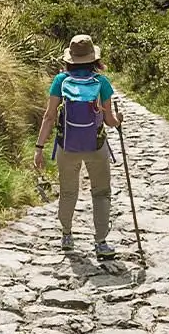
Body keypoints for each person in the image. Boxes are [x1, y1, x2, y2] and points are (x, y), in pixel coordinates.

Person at [33, 33, 123, 259]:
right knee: (101, 193)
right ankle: (101, 242)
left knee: (68, 191)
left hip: (67, 146)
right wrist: (119, 120)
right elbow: (110, 121)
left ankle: (66, 235)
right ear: (94, 59)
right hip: (96, 146)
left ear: (70, 58)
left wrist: (39, 146)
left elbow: (49, 116)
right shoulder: (101, 82)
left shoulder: (60, 81)